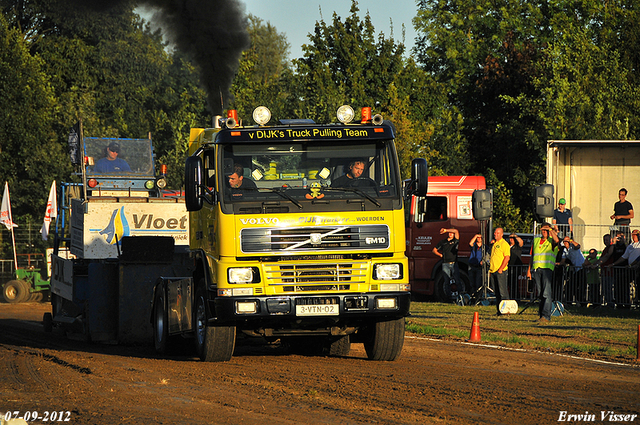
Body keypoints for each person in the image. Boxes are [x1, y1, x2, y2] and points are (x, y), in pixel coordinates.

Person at [527, 223, 559, 322]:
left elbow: (557, 240)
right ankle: (541, 315)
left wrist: (551, 230)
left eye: (546, 230)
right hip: (537, 269)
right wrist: (529, 270)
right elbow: (532, 256)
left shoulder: (551, 241)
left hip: (547, 269)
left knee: (546, 293)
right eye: (543, 230)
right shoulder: (536, 240)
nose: (544, 232)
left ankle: (546, 316)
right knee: (540, 293)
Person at [609, 229, 640, 305]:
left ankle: (637, 300)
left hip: (638, 268)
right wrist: (613, 264)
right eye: (633, 235)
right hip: (631, 268)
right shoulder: (630, 246)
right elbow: (623, 257)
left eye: (636, 235)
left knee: (638, 284)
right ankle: (625, 301)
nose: (634, 236)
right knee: (623, 283)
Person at [433, 227, 463, 296]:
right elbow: (434, 250)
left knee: (457, 280)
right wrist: (440, 255)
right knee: (446, 281)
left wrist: (446, 230)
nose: (450, 234)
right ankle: (448, 297)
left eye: (451, 233)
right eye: (449, 233)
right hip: (445, 264)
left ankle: (461, 295)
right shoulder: (443, 242)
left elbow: (456, 231)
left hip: (453, 263)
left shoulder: (455, 241)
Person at [489, 227, 510, 315]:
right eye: (495, 233)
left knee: (503, 292)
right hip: (493, 271)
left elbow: (507, 257)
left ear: (501, 234)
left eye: (497, 233)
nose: (495, 234)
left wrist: (501, 269)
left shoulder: (504, 244)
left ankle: (506, 310)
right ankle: (499, 310)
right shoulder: (494, 244)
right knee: (496, 292)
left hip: (500, 271)